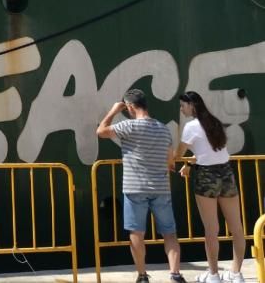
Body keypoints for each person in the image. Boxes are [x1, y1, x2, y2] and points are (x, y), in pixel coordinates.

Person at [96, 89, 186, 283]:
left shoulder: (128, 126)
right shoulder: (163, 129)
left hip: (135, 188)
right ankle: (175, 274)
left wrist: (113, 111)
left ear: (130, 106)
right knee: (169, 233)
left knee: (136, 233)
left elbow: (101, 131)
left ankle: (142, 276)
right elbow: (170, 161)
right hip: (160, 187)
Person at [175, 92, 245, 283]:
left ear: (191, 105)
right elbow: (212, 151)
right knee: (237, 227)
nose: (181, 110)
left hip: (206, 176)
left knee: (211, 229)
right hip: (226, 173)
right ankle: (236, 274)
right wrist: (190, 163)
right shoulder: (214, 122)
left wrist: (181, 160)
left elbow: (178, 154)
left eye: (183, 106)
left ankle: (213, 275)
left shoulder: (190, 127)